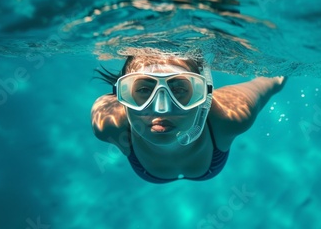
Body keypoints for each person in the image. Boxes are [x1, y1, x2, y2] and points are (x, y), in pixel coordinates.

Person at [91, 55, 286, 183]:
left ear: (204, 97)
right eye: (143, 89)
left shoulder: (230, 116)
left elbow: (274, 80)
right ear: (122, 95)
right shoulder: (109, 123)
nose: (162, 108)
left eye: (179, 90)